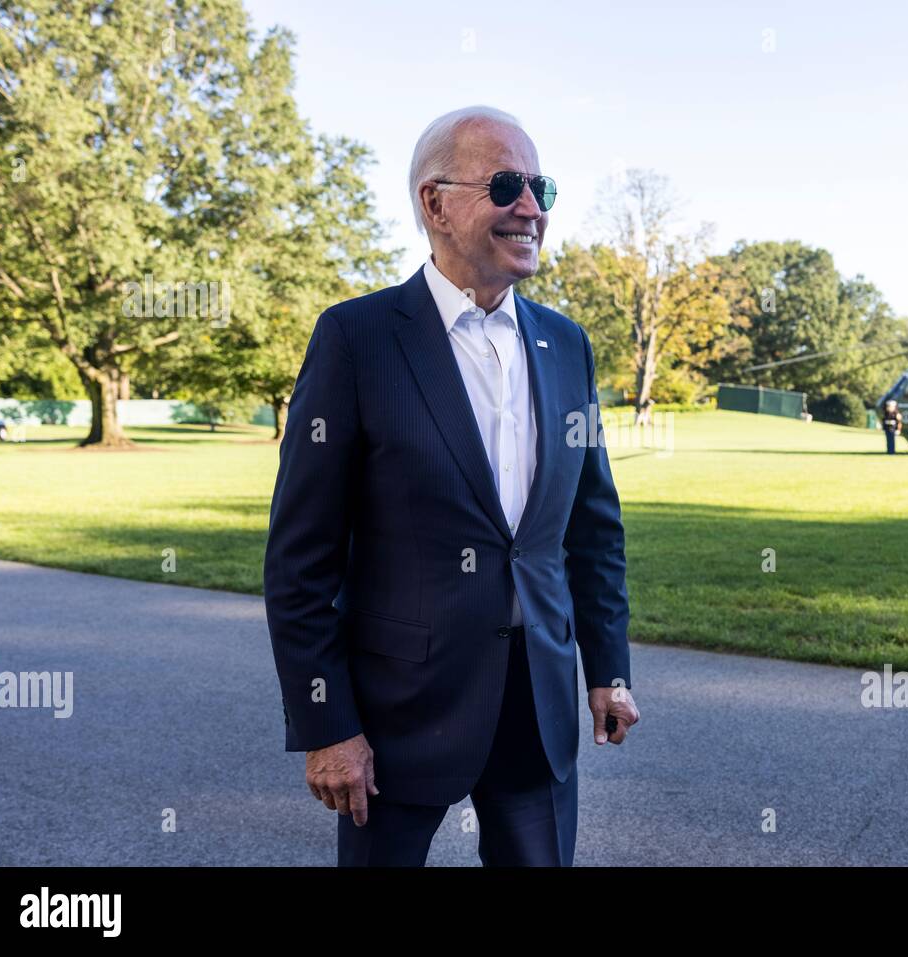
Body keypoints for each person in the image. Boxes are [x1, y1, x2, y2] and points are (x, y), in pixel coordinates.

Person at [263, 105, 639, 867]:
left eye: (541, 187)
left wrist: (607, 666)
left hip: (537, 712)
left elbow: (591, 530)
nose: (531, 207)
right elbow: (300, 560)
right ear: (435, 203)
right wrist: (326, 723)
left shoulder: (566, 345)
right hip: (397, 717)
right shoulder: (356, 338)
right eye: (506, 185)